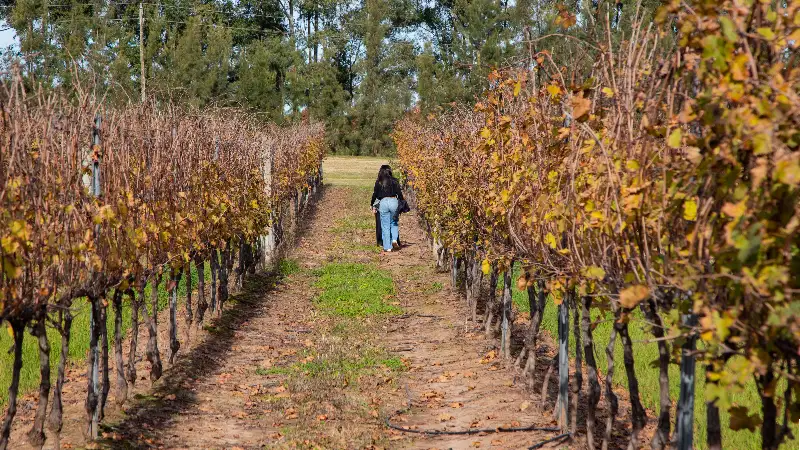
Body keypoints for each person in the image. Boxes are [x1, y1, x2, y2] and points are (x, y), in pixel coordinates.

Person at [371, 165, 404, 253]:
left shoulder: (379, 182)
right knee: (394, 222)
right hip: (393, 201)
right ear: (390, 171)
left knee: (385, 225)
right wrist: (402, 203)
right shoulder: (395, 181)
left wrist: (372, 204)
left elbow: (375, 194)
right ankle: (394, 239)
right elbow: (399, 194)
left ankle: (387, 247)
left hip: (383, 202)